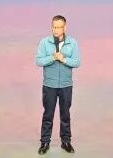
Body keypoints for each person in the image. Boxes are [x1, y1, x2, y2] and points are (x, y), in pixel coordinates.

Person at [35, 15, 81, 154]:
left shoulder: (72, 43)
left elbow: (77, 62)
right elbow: (39, 61)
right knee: (48, 115)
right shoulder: (44, 42)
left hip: (66, 85)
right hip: (49, 85)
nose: (55, 30)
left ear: (65, 28)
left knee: (65, 115)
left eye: (59, 27)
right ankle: (45, 142)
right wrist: (52, 57)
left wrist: (64, 59)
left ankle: (66, 142)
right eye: (54, 27)